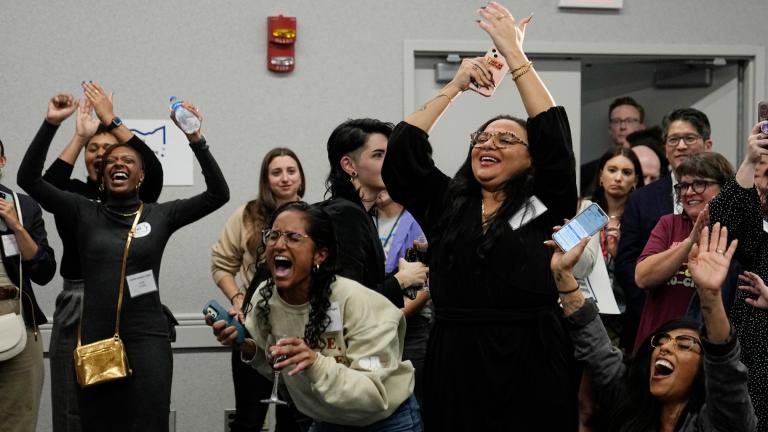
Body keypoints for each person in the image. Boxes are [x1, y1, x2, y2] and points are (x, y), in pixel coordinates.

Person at [382, 3, 578, 429]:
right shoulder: (450, 203)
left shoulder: (541, 203)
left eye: (507, 139)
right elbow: (402, 154)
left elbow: (554, 138)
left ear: (530, 160)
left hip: (531, 358)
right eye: (482, 136)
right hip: (455, 359)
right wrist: (456, 85)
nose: (488, 144)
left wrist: (515, 56)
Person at [17, 85, 229, 431]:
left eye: (128, 161)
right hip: (97, 341)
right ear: (101, 176)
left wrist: (195, 138)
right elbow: (29, 179)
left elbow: (219, 193)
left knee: (149, 424)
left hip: (149, 339)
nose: (118, 164)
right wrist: (50, 124)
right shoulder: (82, 211)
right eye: (111, 162)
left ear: (140, 175)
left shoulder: (160, 215)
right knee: (98, 425)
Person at [209, 201, 420, 431]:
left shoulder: (355, 301)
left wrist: (315, 363)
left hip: (384, 422)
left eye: (293, 237)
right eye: (273, 235)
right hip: (326, 421)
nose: (279, 244)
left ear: (320, 254)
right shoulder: (265, 298)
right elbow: (278, 368)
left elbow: (374, 393)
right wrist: (247, 347)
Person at [548, 223, 757, 432]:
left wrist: (710, 295)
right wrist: (563, 273)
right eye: (661, 341)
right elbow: (595, 346)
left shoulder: (717, 424)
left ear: (705, 370)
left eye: (684, 344)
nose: (665, 348)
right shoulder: (630, 401)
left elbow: (725, 370)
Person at [41, 95, 164, 432]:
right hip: (81, 302)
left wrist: (112, 122)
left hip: (133, 306)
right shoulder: (75, 197)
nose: (103, 155)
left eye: (110, 150)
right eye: (93, 150)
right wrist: (79, 135)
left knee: (131, 407)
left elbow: (152, 170)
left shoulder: (138, 202)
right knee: (73, 404)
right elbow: (46, 185)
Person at [211, 147, 305, 432]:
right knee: (249, 419)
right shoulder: (247, 215)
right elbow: (221, 265)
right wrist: (238, 298)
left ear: (301, 177)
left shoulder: (314, 216)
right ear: (266, 179)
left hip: (295, 327)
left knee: (294, 419)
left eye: (291, 171)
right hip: (253, 328)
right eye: (276, 172)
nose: (285, 178)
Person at [615, 107, 713, 352]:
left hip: (707, 319)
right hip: (651, 316)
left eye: (689, 138)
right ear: (665, 147)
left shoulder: (722, 195)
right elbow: (627, 261)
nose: (680, 146)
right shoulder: (642, 198)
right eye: (673, 139)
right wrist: (651, 303)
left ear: (707, 144)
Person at [634, 152, 735, 353]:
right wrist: (689, 242)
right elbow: (642, 277)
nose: (688, 192)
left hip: (708, 350)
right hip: (656, 345)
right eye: (683, 186)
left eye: (699, 184)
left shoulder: (734, 234)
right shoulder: (668, 224)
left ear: (724, 188)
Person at [322, 118, 427, 308]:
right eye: (378, 155)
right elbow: (350, 301)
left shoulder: (360, 212)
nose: (391, 163)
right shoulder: (345, 214)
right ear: (349, 165)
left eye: (390, 155)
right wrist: (402, 279)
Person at [708, 120, 768, 431]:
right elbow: (724, 225)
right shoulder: (755, 228)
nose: (761, 182)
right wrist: (748, 161)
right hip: (751, 351)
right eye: (758, 174)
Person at [0, 137, 56, 432]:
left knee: (19, 420)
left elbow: (45, 272)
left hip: (18, 319)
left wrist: (16, 226)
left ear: (2, 162)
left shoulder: (23, 206)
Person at [373, 189, 431, 403]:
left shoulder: (419, 219)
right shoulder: (363, 218)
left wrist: (395, 316)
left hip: (410, 327)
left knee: (412, 399)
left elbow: (426, 284)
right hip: (370, 329)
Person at [581, 96, 646, 195]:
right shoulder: (587, 172)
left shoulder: (653, 167)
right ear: (610, 129)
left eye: (629, 121)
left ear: (642, 127)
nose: (622, 127)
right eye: (616, 121)